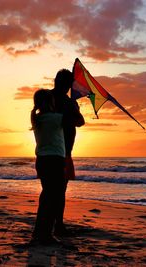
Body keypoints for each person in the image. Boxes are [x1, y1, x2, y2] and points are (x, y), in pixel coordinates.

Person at [51, 69, 85, 235]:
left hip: (62, 150)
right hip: (58, 150)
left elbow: (80, 121)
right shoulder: (53, 99)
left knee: (56, 189)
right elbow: (79, 121)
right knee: (56, 190)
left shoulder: (68, 101)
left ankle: (56, 224)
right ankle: (56, 225)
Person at [30, 89, 66, 245]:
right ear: (49, 102)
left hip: (42, 160)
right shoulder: (57, 118)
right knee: (54, 197)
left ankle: (40, 232)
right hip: (55, 160)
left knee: (47, 196)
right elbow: (80, 121)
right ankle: (45, 234)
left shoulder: (37, 118)